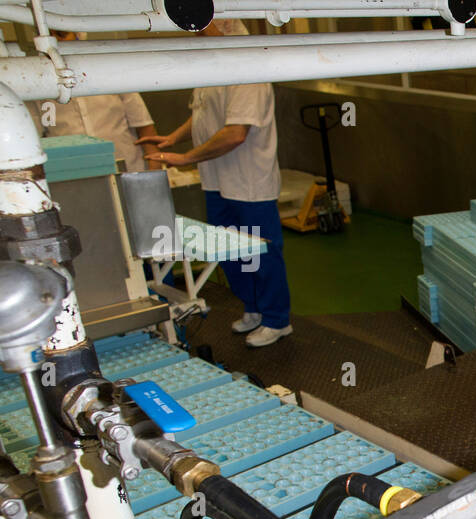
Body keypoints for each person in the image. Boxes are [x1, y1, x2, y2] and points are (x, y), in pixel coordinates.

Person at [138, 20, 291, 347]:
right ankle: (254, 309)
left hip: (249, 182)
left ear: (226, 24)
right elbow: (203, 113)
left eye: (201, 25)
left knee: (261, 253)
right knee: (230, 253)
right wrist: (174, 138)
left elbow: (236, 133)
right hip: (217, 179)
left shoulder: (248, 68)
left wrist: (185, 158)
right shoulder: (214, 64)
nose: (194, 32)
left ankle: (277, 319)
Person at [40, 32, 162, 172]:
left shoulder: (109, 72)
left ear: (78, 35)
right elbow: (41, 135)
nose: (55, 41)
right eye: (49, 35)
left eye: (62, 34)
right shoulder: (41, 85)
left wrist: (155, 167)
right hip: (72, 173)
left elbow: (144, 126)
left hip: (127, 168)